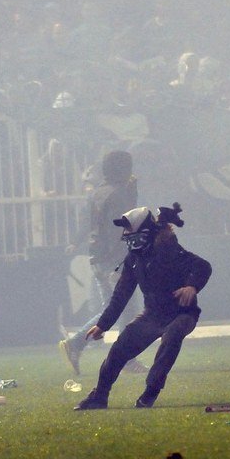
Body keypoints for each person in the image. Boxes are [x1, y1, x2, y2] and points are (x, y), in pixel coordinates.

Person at [74, 203, 212, 410]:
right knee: (119, 349)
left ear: (146, 232)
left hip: (182, 314)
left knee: (172, 336)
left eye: (129, 229)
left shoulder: (169, 250)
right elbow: (121, 295)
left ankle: (150, 392)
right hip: (152, 316)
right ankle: (99, 396)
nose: (125, 234)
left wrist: (192, 286)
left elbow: (202, 266)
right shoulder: (133, 260)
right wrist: (103, 325)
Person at [58, 150, 148, 375]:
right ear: (123, 169)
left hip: (98, 258)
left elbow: (89, 222)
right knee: (125, 310)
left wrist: (75, 242)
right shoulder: (119, 194)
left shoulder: (99, 192)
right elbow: (121, 228)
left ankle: (81, 345)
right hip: (115, 260)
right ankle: (84, 345)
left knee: (116, 309)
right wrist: (119, 264)